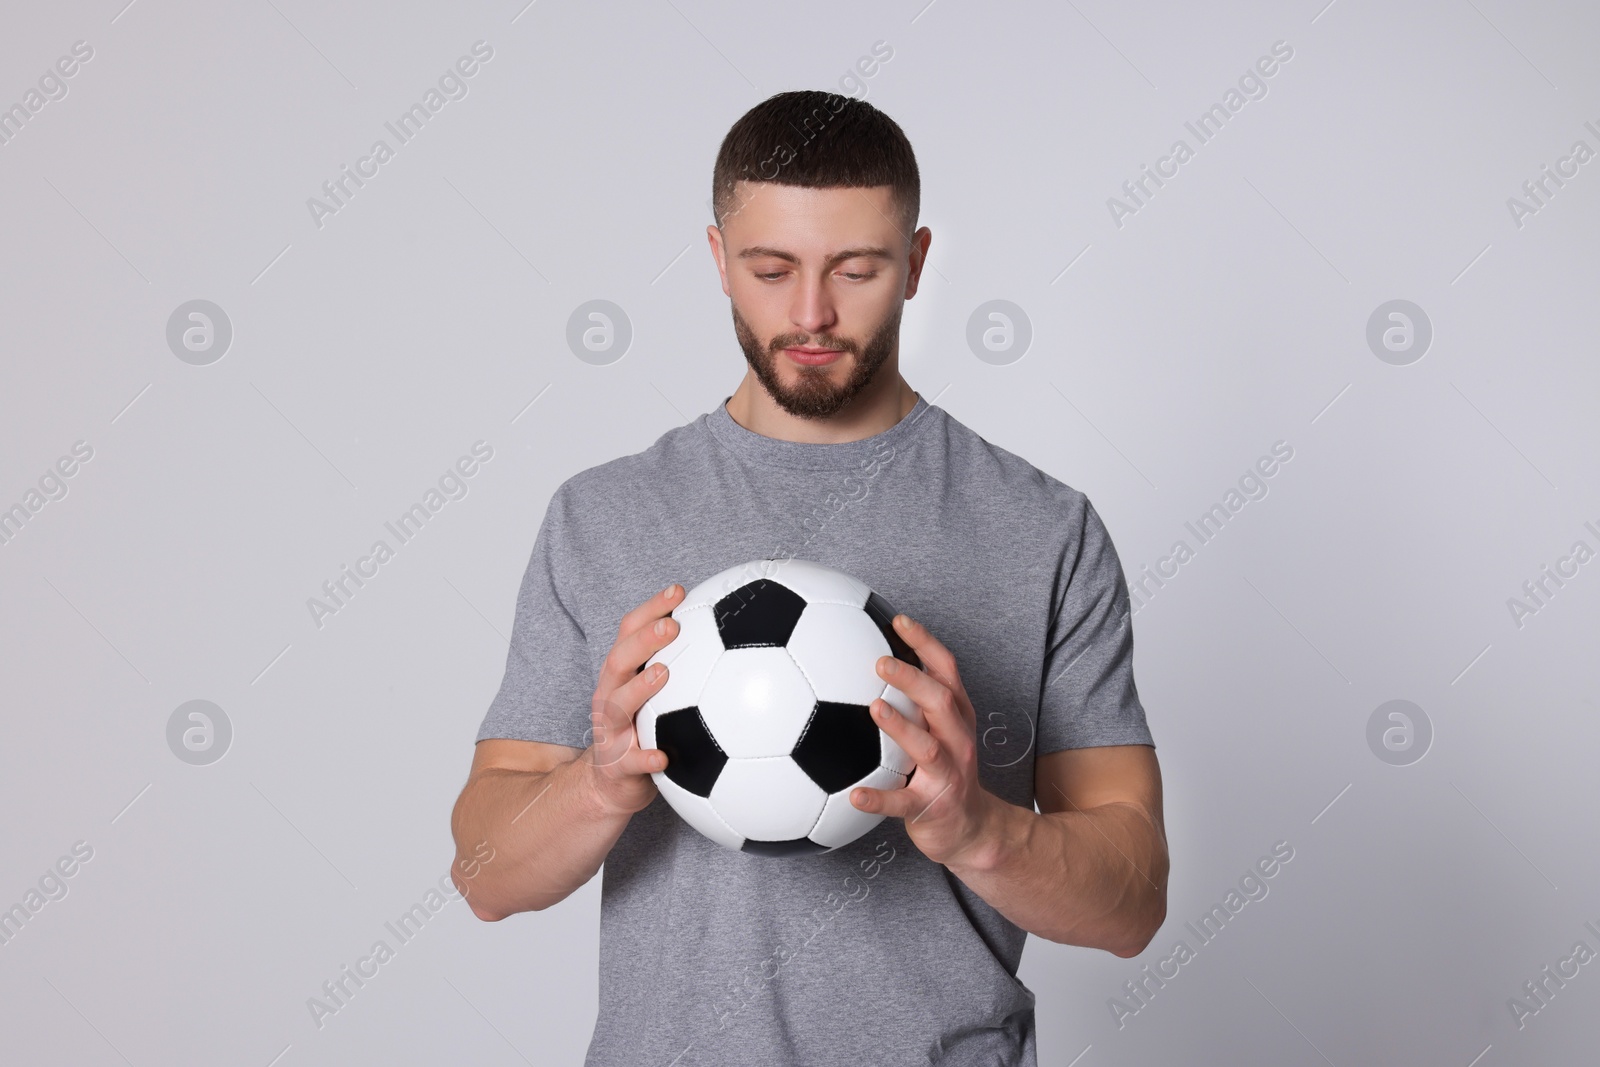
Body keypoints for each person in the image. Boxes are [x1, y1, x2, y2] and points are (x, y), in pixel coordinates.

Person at [449, 89, 1168, 1067]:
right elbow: (485, 876)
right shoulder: (604, 514)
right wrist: (601, 782)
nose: (812, 313)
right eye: (770, 268)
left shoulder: (1042, 528)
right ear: (716, 261)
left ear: (915, 264)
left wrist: (977, 828)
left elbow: (1131, 902)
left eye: (857, 267)